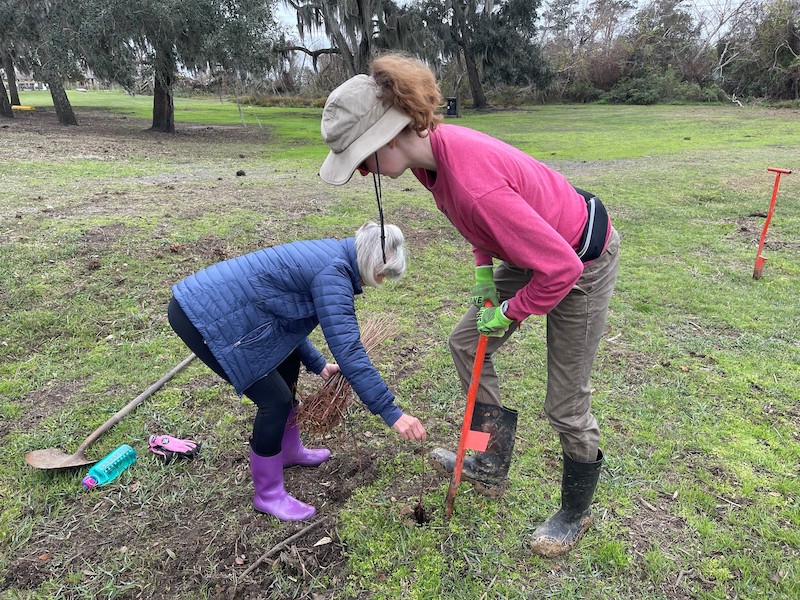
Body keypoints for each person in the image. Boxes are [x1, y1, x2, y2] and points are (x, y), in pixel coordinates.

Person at [318, 53, 620, 557]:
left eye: (363, 162)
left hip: (579, 261)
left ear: (389, 137)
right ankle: (489, 459)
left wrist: (509, 311)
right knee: (465, 342)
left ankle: (574, 512)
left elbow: (561, 268)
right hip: (535, 250)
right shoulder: (429, 163)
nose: (365, 173)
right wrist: (485, 274)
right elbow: (478, 227)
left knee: (565, 405)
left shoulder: (473, 182)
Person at [168, 222, 427, 522]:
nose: (380, 281)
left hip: (232, 312)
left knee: (288, 367)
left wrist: (318, 364)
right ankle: (268, 494)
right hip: (203, 315)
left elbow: (287, 318)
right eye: (382, 273)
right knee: (274, 401)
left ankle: (289, 451)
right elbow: (350, 350)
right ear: (370, 260)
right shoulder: (333, 274)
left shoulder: (333, 258)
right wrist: (391, 412)